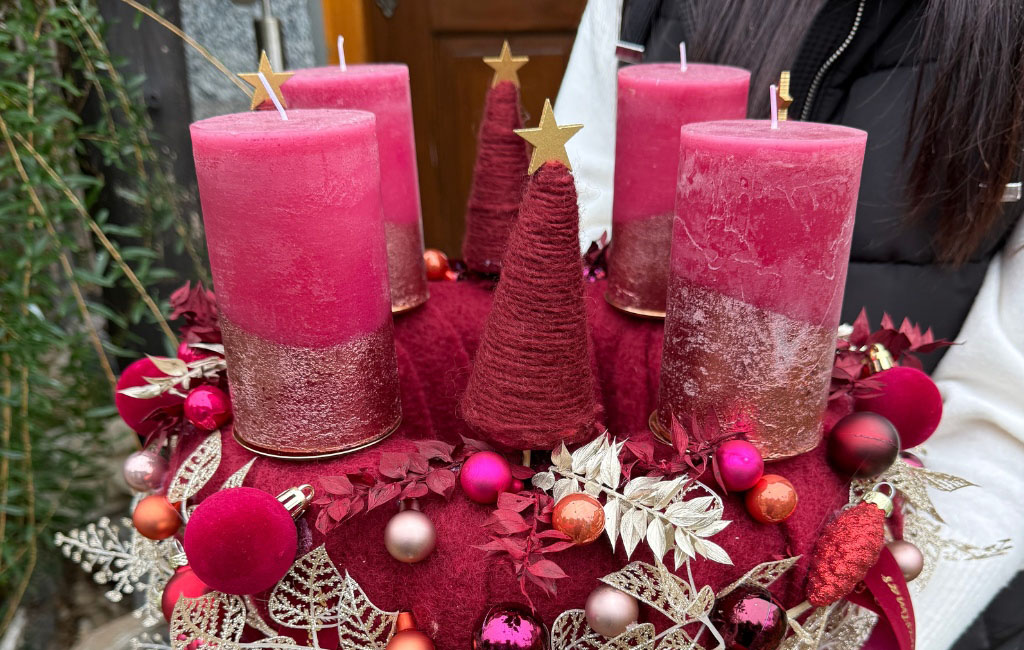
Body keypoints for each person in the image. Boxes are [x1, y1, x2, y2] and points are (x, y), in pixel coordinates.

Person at [556, 1, 1024, 648]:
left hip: (895, 573)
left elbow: (1008, 417)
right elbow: (584, 220)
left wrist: (842, 628)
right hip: (618, 538)